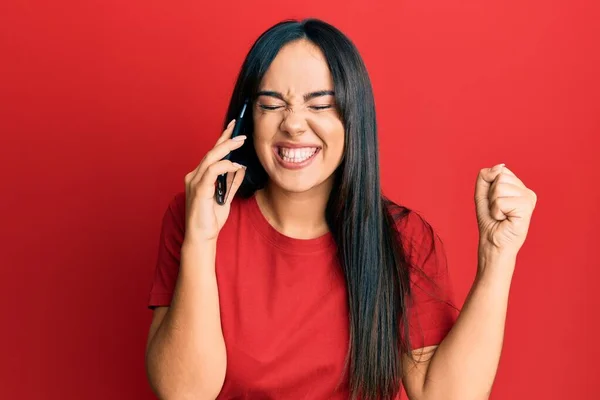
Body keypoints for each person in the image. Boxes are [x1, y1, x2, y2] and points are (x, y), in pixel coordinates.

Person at [144, 18, 537, 400]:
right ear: (247, 118)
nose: (294, 124)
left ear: (353, 119)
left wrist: (496, 257)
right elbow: (183, 392)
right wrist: (200, 240)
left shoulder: (404, 239)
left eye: (320, 105)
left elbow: (447, 395)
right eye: (271, 104)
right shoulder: (194, 214)